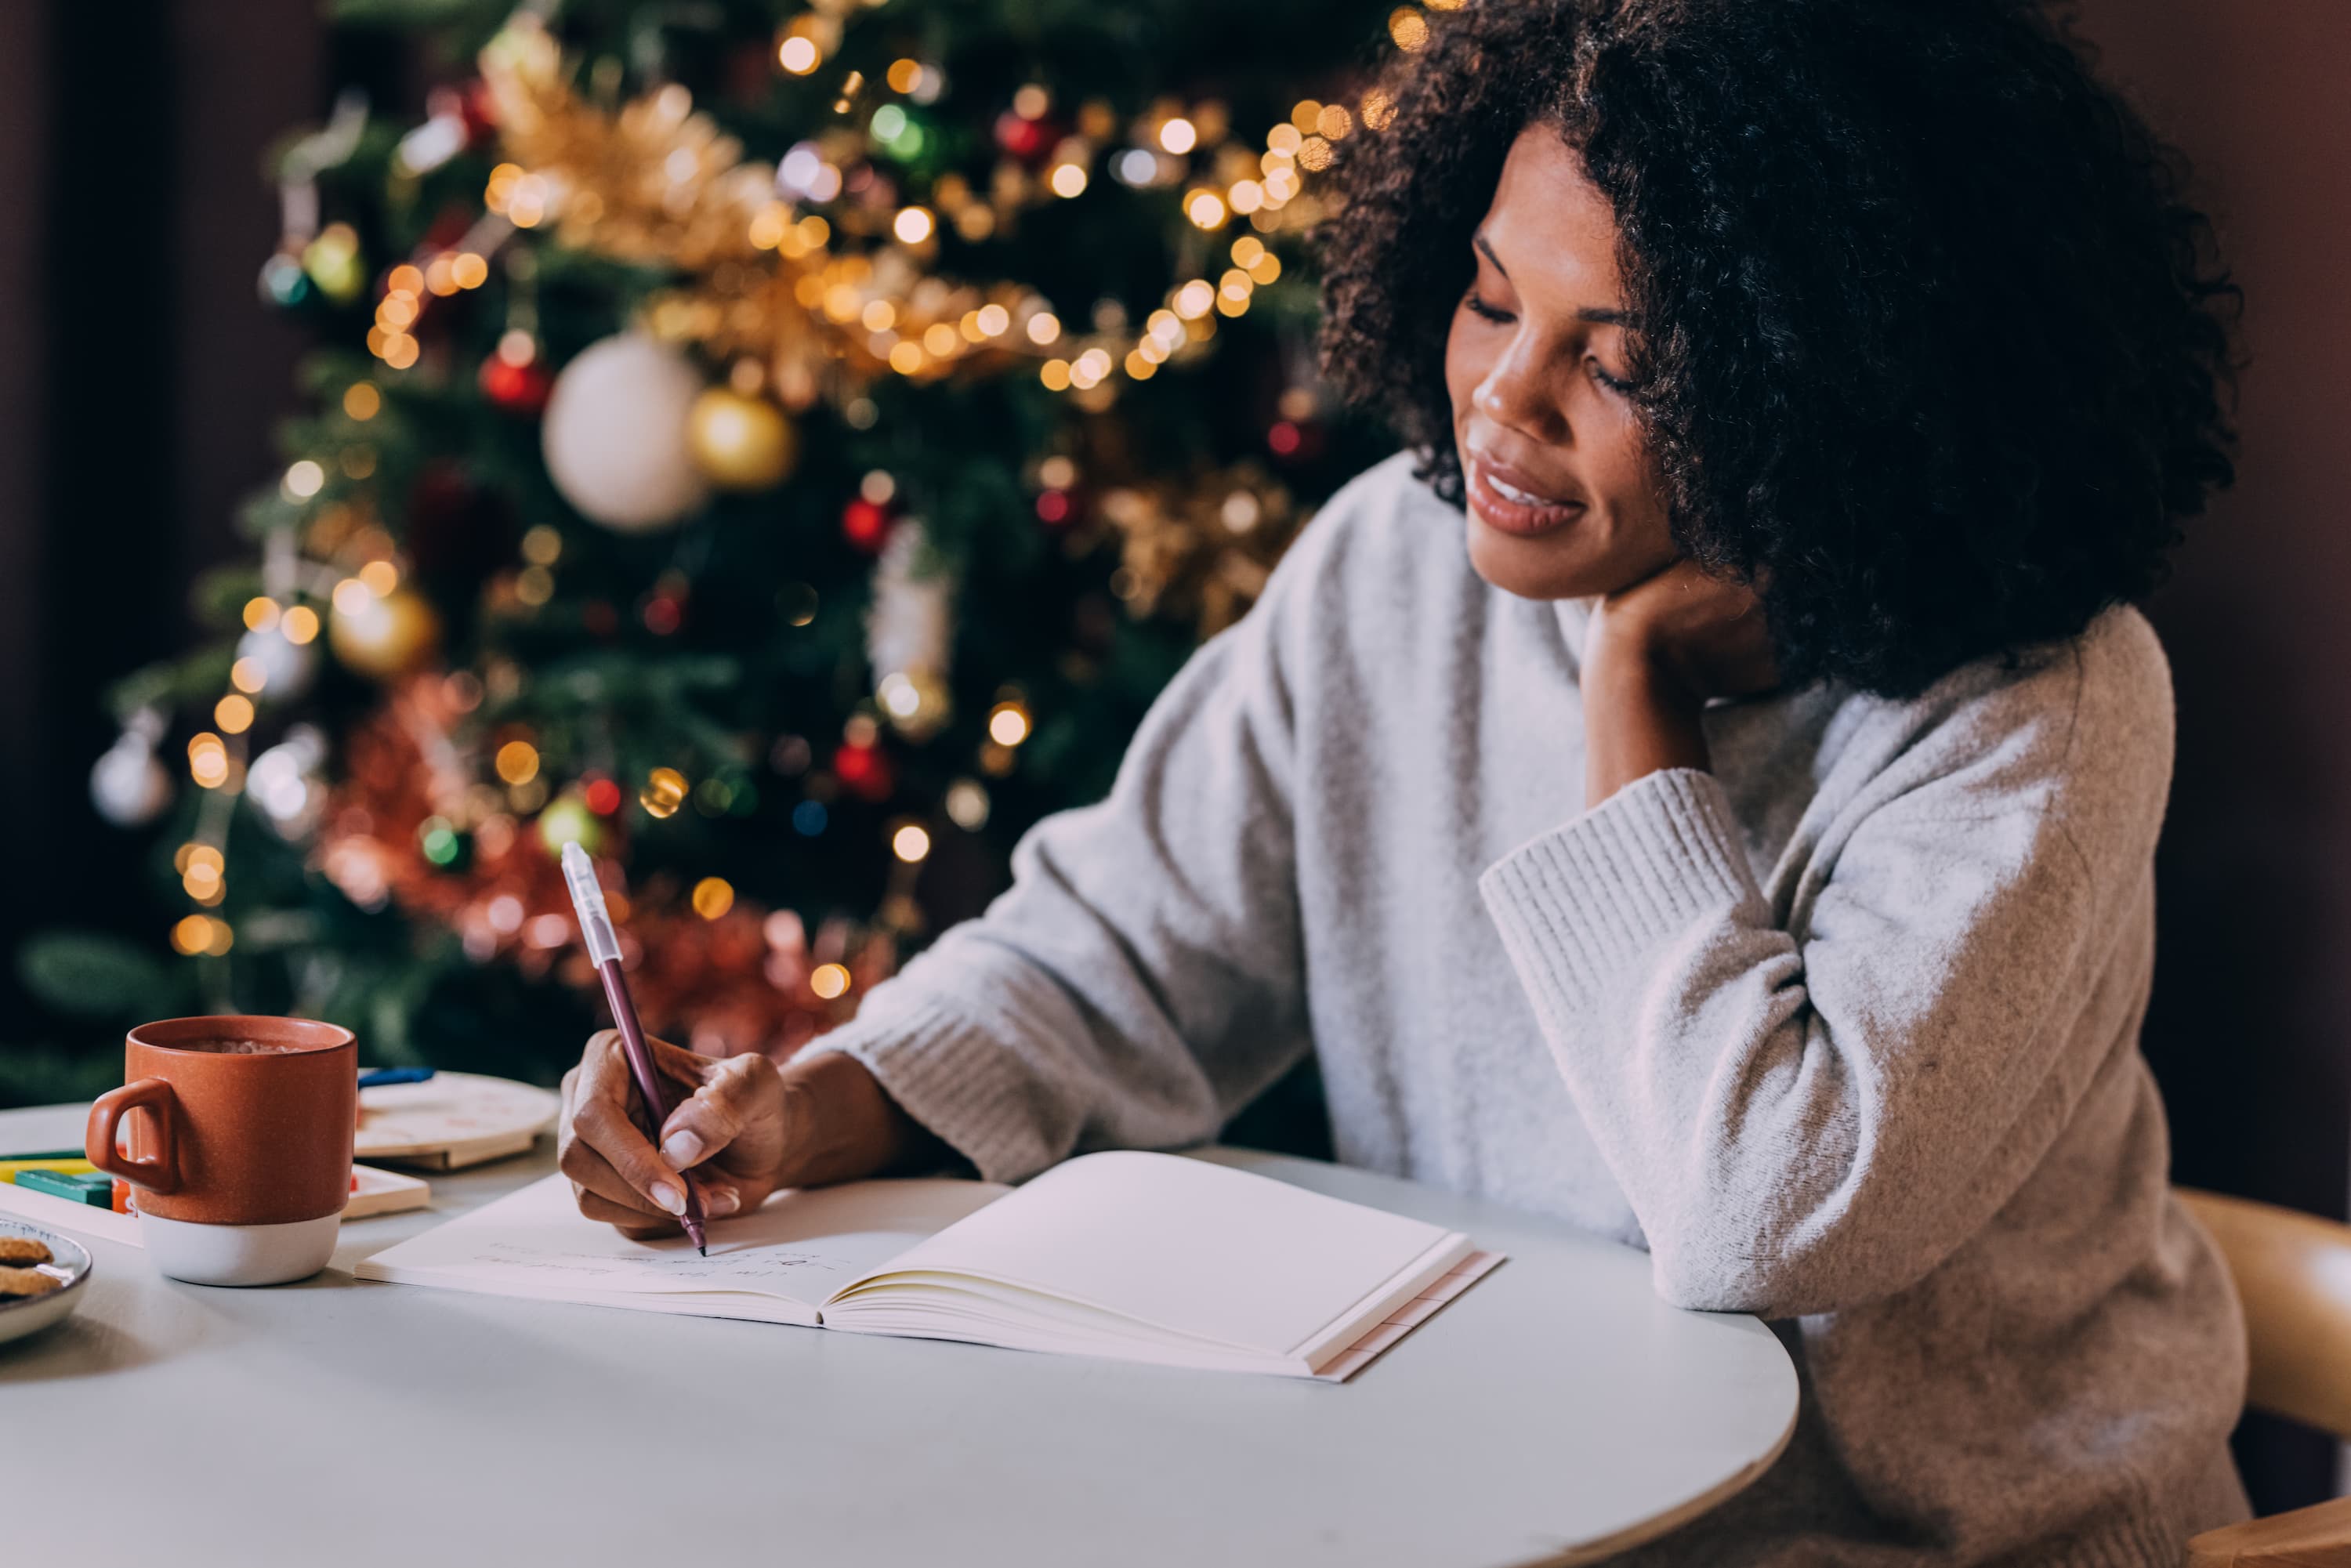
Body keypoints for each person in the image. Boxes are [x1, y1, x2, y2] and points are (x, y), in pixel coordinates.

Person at [556, 0, 2251, 1559]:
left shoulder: (2037, 705)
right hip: (1526, 1510)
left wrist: (1630, 694)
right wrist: (803, 1107)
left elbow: (1768, 1210)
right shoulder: (1392, 564)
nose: (1503, 402)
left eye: (1623, 362)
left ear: (1843, 391)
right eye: (1495, 297)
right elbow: (1114, 959)